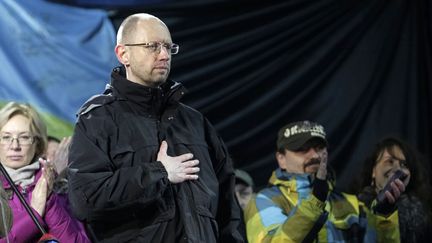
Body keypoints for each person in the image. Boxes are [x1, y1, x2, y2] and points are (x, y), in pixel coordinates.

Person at [67, 13, 245, 242]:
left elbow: (228, 212)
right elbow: (86, 199)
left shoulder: (196, 122)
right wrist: (158, 173)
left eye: (168, 47)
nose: (163, 55)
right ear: (123, 54)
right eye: (152, 46)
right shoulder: (98, 119)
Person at [244, 121, 406, 243]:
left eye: (319, 147)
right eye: (302, 149)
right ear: (281, 159)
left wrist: (384, 217)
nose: (314, 155)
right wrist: (315, 201)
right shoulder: (263, 200)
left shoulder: (352, 203)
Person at [0, 102, 89, 242]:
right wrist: (34, 212)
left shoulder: (59, 188)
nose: (15, 146)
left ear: (38, 144)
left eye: (24, 137)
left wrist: (49, 199)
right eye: (6, 137)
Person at [350, 137, 432, 243]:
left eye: (404, 164)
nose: (398, 168)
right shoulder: (353, 211)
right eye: (389, 161)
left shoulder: (424, 217)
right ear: (373, 171)